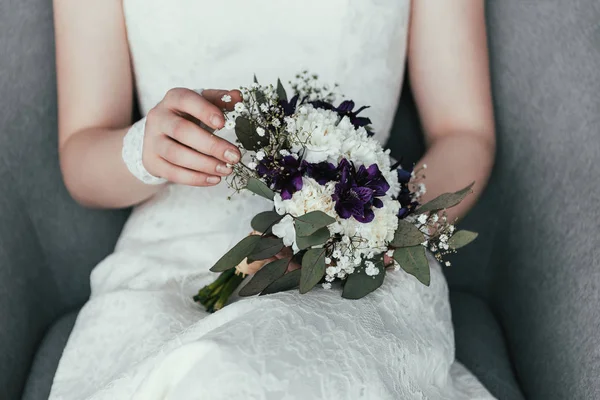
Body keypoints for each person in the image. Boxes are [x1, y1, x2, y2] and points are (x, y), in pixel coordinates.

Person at [50, 0, 496, 398]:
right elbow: (81, 159)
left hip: (352, 261)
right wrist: (143, 150)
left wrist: (379, 229)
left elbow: (464, 132)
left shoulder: (367, 238)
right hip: (173, 260)